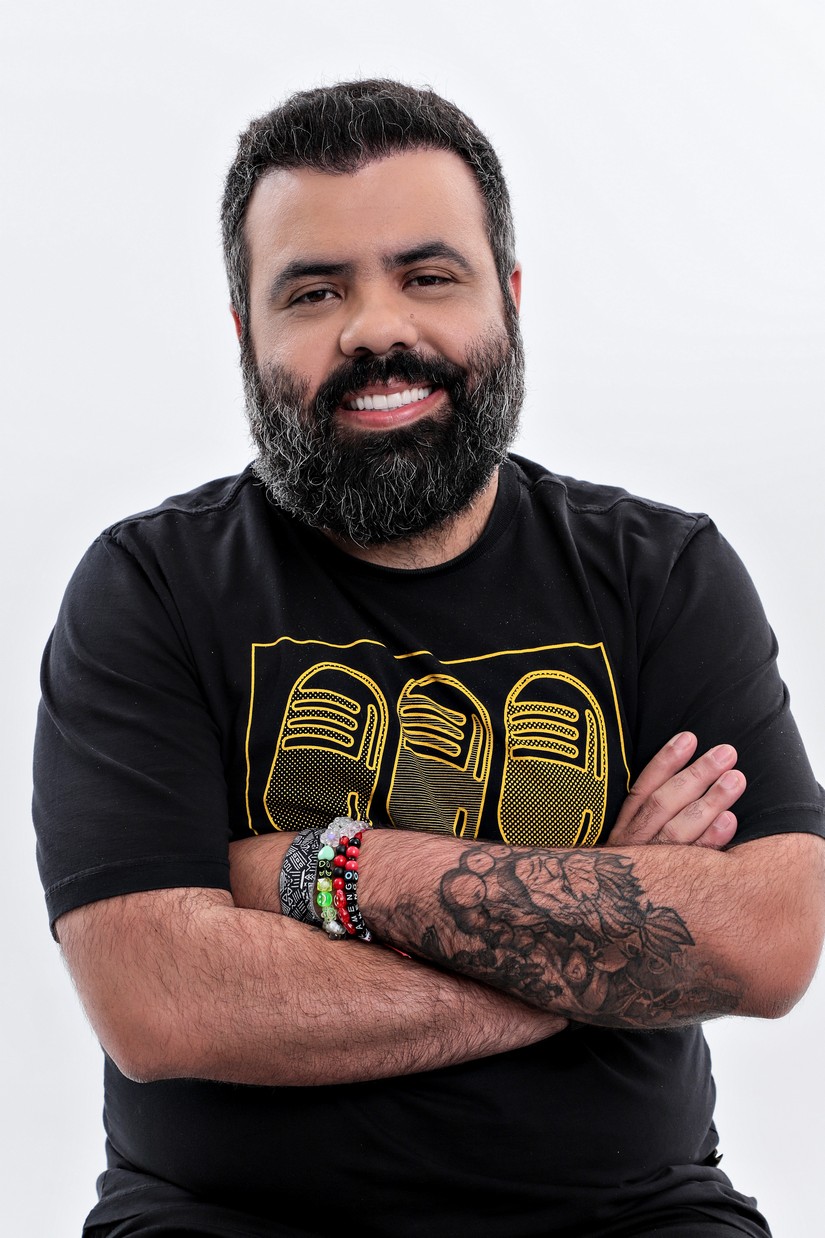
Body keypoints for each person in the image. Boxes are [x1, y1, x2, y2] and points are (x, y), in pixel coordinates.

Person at [34, 80, 824, 1238]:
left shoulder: (662, 573)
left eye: (428, 275)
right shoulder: (147, 586)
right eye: (315, 291)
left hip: (631, 1213)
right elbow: (160, 1000)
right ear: (246, 332)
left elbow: (770, 940)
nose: (376, 327)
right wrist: (600, 925)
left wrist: (329, 870)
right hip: (225, 1215)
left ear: (509, 300)